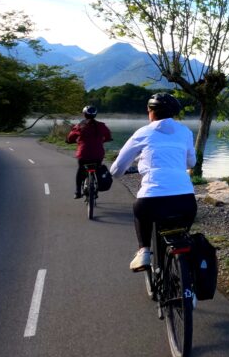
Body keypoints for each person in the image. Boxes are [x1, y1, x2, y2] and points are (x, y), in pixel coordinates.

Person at [110, 92, 197, 271]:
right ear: (174, 113)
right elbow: (191, 163)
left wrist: (119, 172)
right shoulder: (185, 132)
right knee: (180, 234)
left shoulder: (143, 133)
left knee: (141, 212)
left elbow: (118, 167)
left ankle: (144, 251)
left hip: (151, 201)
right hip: (186, 201)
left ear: (150, 111)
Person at [66, 106, 113, 199]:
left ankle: (78, 191)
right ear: (95, 115)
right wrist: (103, 140)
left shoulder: (80, 126)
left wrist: (69, 140)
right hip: (98, 154)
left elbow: (70, 137)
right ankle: (95, 186)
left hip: (83, 154)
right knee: (97, 168)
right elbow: (108, 136)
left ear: (84, 114)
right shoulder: (102, 126)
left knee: (81, 170)